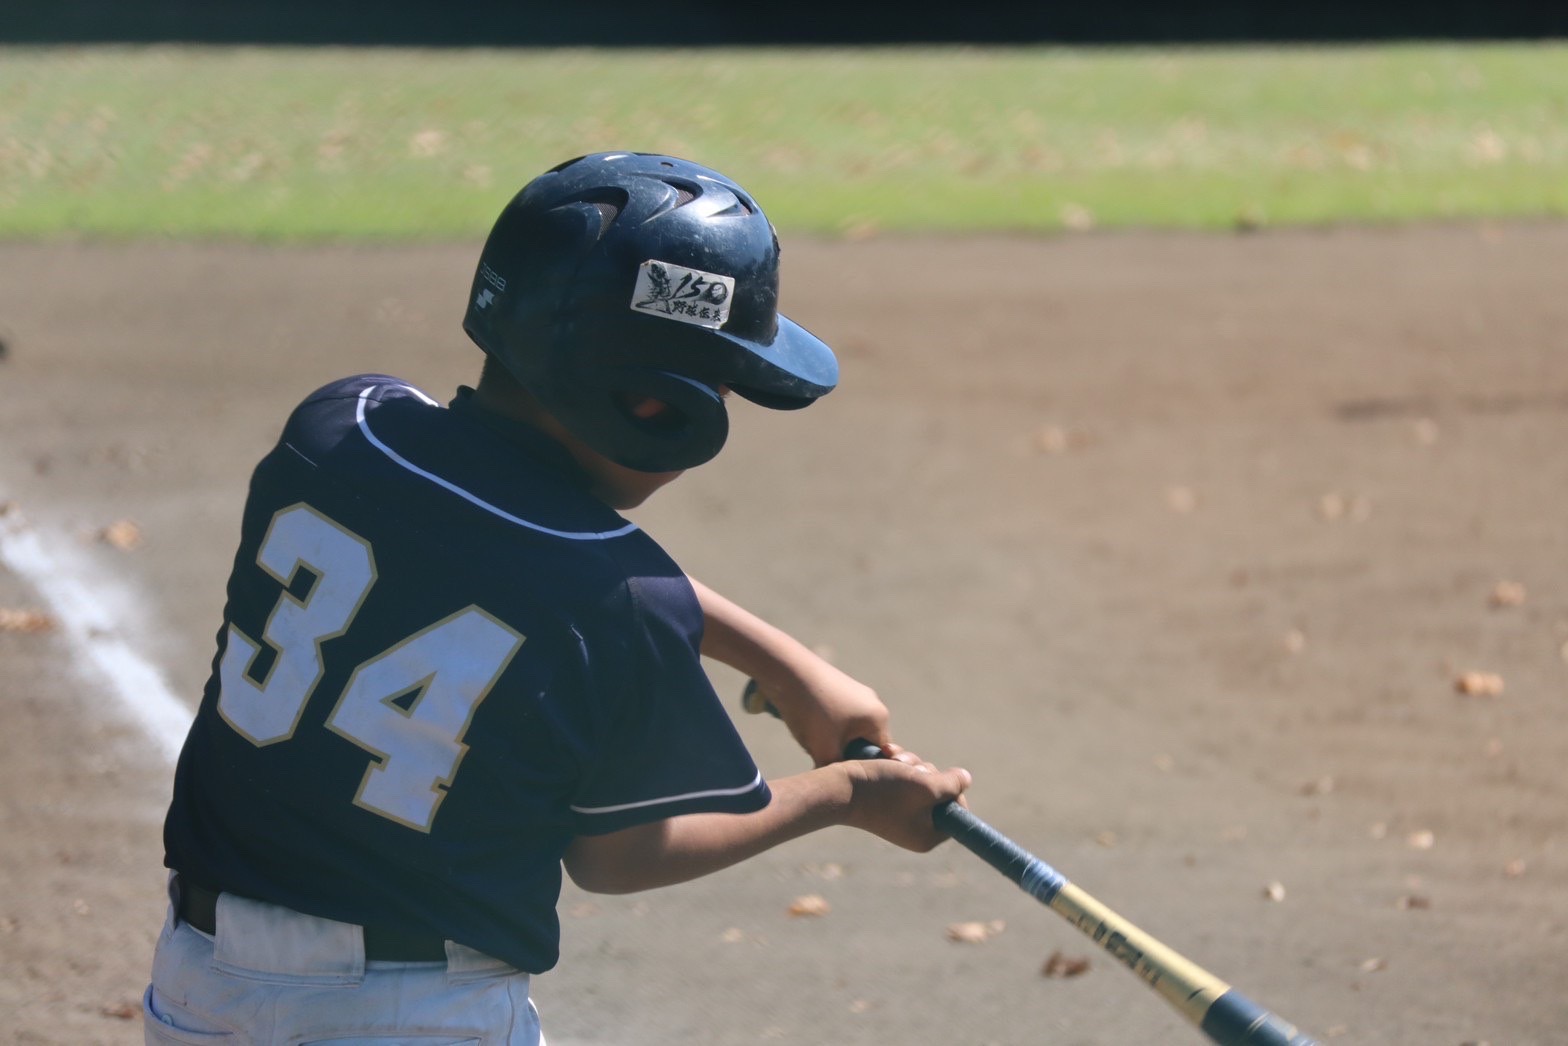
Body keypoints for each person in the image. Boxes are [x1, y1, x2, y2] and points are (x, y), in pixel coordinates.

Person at [144, 150, 972, 1044]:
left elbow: (512, 540)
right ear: (653, 406)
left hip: (197, 990)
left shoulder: (339, 427)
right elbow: (621, 856)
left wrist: (786, 664)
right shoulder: (617, 605)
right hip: (411, 1017)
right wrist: (846, 795)